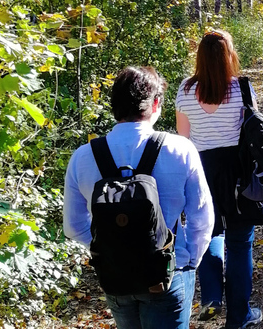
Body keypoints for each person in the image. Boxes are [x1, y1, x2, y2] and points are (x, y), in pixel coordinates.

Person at [63, 66, 214, 329]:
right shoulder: (180, 149)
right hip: (168, 273)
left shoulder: (82, 157)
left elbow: (73, 226)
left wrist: (113, 250)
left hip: (116, 278)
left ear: (114, 106)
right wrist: (189, 260)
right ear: (156, 103)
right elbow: (202, 217)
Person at [176, 30, 263, 329]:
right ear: (230, 55)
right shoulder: (242, 88)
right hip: (238, 172)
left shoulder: (185, 91)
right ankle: (239, 317)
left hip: (202, 171)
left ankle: (212, 298)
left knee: (209, 233)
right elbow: (253, 131)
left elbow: (183, 140)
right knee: (240, 243)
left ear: (199, 57)